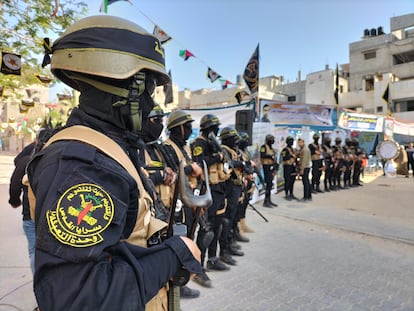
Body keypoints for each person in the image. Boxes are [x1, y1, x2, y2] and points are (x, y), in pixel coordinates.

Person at [26, 15, 201, 311]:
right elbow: (80, 299)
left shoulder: (110, 149)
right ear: (121, 84)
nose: (151, 104)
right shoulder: (84, 165)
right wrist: (174, 253)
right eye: (146, 89)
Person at [191, 114, 230, 281]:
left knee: (217, 226)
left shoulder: (213, 144)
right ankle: (198, 268)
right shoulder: (198, 143)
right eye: (213, 129)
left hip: (218, 189)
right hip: (206, 190)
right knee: (205, 231)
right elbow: (199, 163)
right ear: (207, 129)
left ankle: (212, 259)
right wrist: (217, 157)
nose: (216, 132)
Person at [219, 126, 249, 249]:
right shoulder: (223, 150)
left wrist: (242, 165)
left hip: (237, 186)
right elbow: (228, 164)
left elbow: (245, 166)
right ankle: (225, 246)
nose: (235, 141)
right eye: (232, 139)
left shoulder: (234, 151)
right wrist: (240, 164)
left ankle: (230, 241)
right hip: (229, 187)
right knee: (227, 218)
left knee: (233, 216)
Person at [237, 131, 256, 234]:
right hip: (243, 180)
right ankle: (238, 227)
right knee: (240, 204)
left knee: (245, 203)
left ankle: (243, 224)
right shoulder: (238, 152)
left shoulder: (246, 152)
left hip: (249, 180)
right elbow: (240, 167)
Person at [260, 134, 279, 207]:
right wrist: (270, 156)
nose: (273, 141)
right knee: (268, 183)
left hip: (271, 167)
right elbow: (262, 155)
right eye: (272, 140)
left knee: (270, 184)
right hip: (266, 167)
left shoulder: (272, 149)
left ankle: (269, 200)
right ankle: (266, 201)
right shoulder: (264, 147)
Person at [281, 136, 298, 200]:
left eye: (292, 141)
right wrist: (290, 155)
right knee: (287, 180)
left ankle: (291, 193)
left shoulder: (293, 149)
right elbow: (284, 157)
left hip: (292, 166)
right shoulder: (285, 149)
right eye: (290, 141)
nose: (292, 142)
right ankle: (286, 194)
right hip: (287, 166)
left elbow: (295, 158)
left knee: (292, 180)